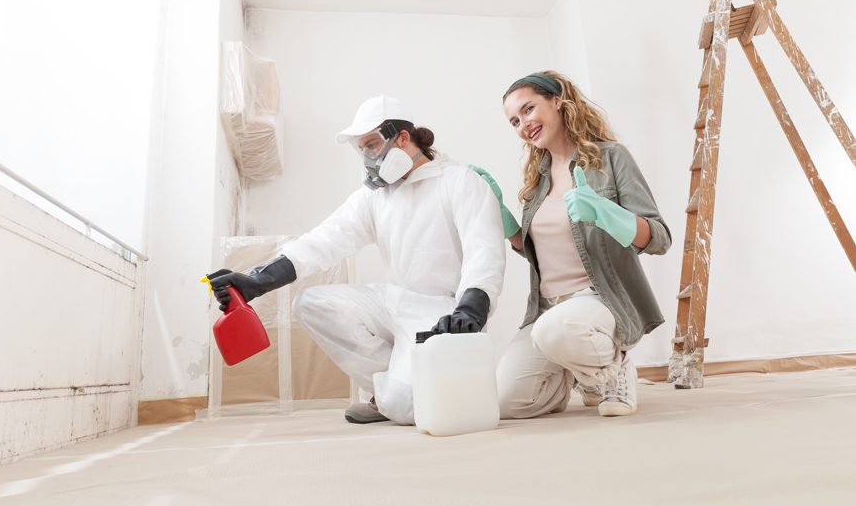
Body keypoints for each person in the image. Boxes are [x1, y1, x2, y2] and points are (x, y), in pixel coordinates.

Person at [207, 95, 506, 426]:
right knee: (311, 302)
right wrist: (260, 279)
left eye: (372, 144)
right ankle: (393, 384)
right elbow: (325, 239)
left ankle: (396, 392)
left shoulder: (460, 182)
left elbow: (485, 252)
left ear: (403, 138)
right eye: (361, 148)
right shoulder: (376, 197)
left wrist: (470, 309)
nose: (368, 157)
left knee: (406, 408)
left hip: (440, 311)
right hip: (393, 302)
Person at [472, 71, 670, 419]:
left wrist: (610, 214)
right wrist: (500, 214)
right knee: (505, 403)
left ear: (557, 101)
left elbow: (659, 238)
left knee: (556, 330)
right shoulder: (537, 179)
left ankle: (616, 366)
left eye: (528, 109)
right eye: (514, 121)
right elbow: (536, 250)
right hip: (547, 309)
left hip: (600, 298)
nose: (523, 124)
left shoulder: (611, 158)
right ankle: (583, 375)